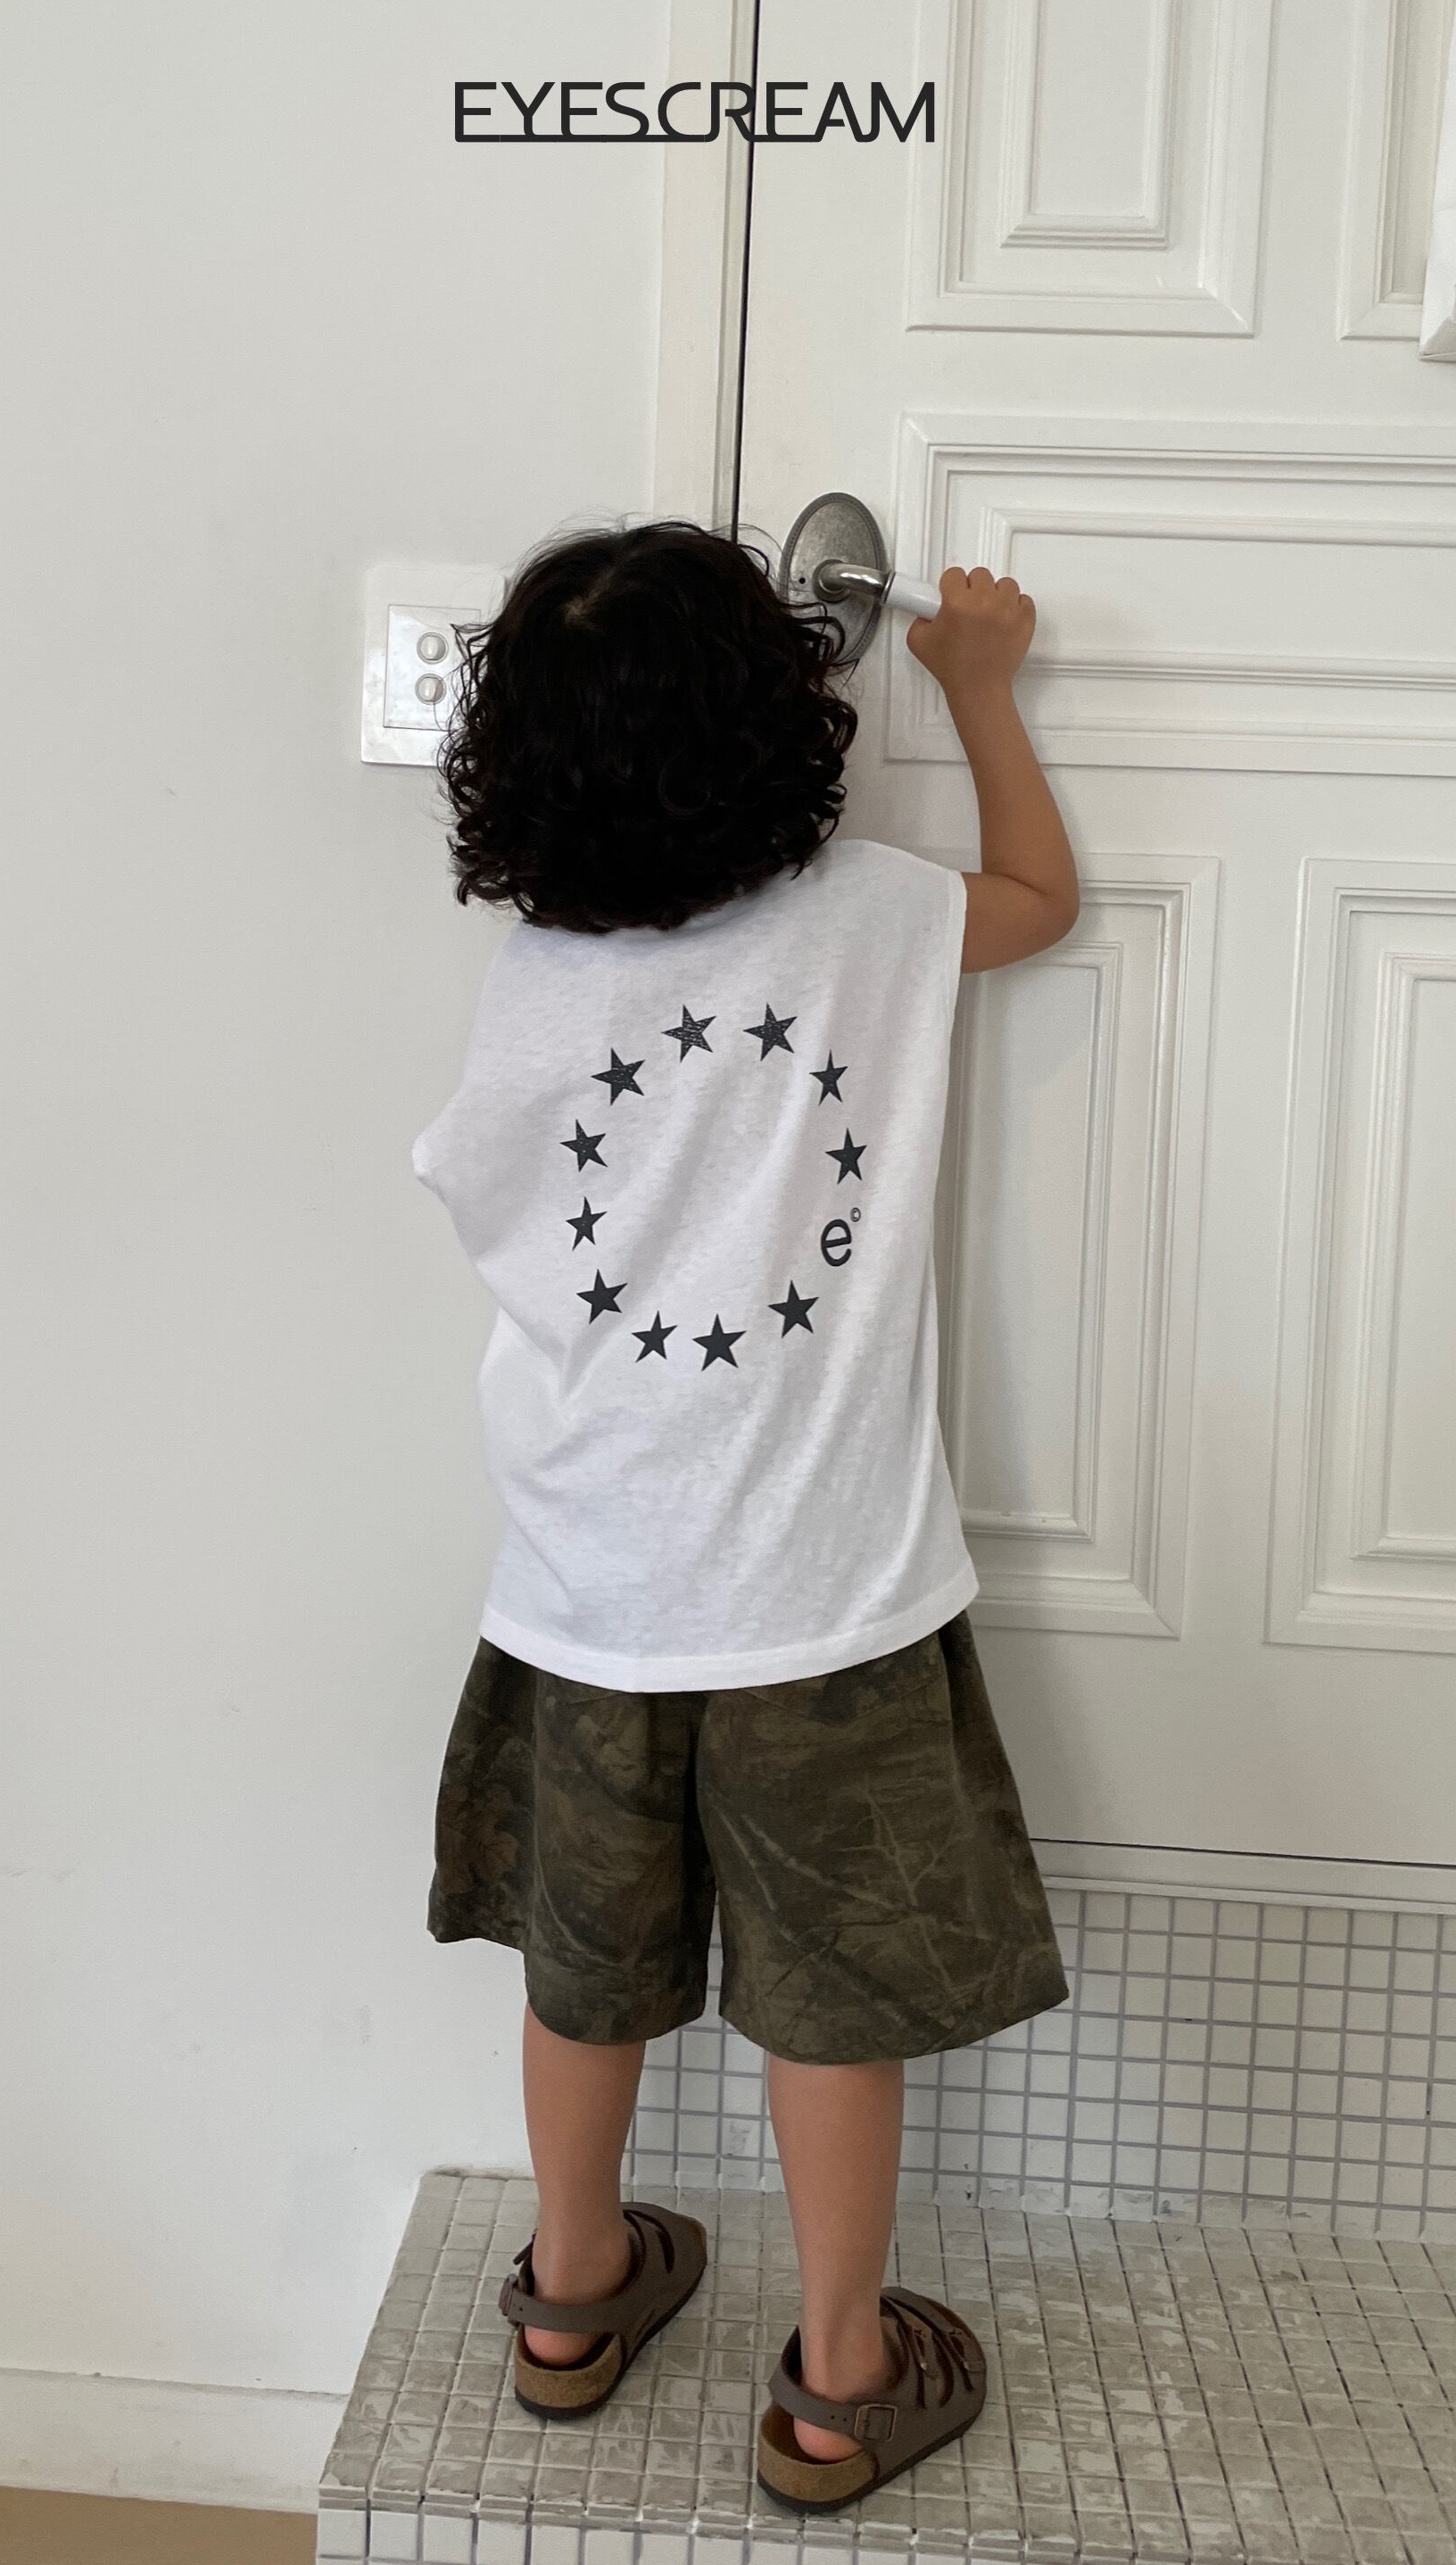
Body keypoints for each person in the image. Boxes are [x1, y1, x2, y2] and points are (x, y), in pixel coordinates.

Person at [410, 518, 1077, 2512]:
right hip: (821, 1590)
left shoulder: (534, 980)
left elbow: (475, 1196)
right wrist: (979, 690)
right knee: (828, 1997)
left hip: (590, 1583)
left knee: (583, 1963)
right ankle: (840, 2381)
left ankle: (571, 2292)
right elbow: (1042, 899)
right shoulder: (872, 920)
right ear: (784, 723)